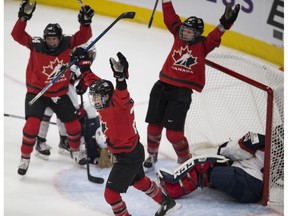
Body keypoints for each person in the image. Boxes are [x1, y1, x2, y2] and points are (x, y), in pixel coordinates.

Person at [72, 49, 181, 215]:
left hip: (128, 156)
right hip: (132, 151)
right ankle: (168, 203)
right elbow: (92, 80)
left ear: (108, 96)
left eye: (97, 98)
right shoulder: (107, 97)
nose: (94, 101)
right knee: (139, 181)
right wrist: (84, 65)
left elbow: (122, 92)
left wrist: (120, 78)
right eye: (93, 98)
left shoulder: (119, 105)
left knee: (110, 194)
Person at [143, 0, 240, 171]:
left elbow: (215, 36)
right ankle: (151, 154)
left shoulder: (203, 45)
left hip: (181, 94)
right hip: (161, 87)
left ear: (197, 33)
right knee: (153, 128)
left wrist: (225, 23)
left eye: (189, 31)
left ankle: (185, 159)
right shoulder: (177, 35)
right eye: (184, 30)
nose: (185, 33)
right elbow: (170, 18)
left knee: (174, 134)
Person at [11, 0, 95, 175]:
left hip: (59, 94)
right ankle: (24, 158)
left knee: (73, 127)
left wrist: (85, 23)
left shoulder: (66, 43)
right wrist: (23, 18)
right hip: (37, 93)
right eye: (49, 39)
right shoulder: (36, 44)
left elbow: (84, 37)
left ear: (60, 37)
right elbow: (17, 35)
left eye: (54, 38)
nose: (52, 42)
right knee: (31, 127)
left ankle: (76, 152)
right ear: (44, 38)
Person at [157, 132, 264, 203]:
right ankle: (213, 181)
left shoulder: (260, 139)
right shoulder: (279, 155)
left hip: (245, 180)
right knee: (221, 165)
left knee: (203, 166)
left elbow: (237, 151)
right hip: (256, 194)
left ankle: (171, 190)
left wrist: (219, 150)